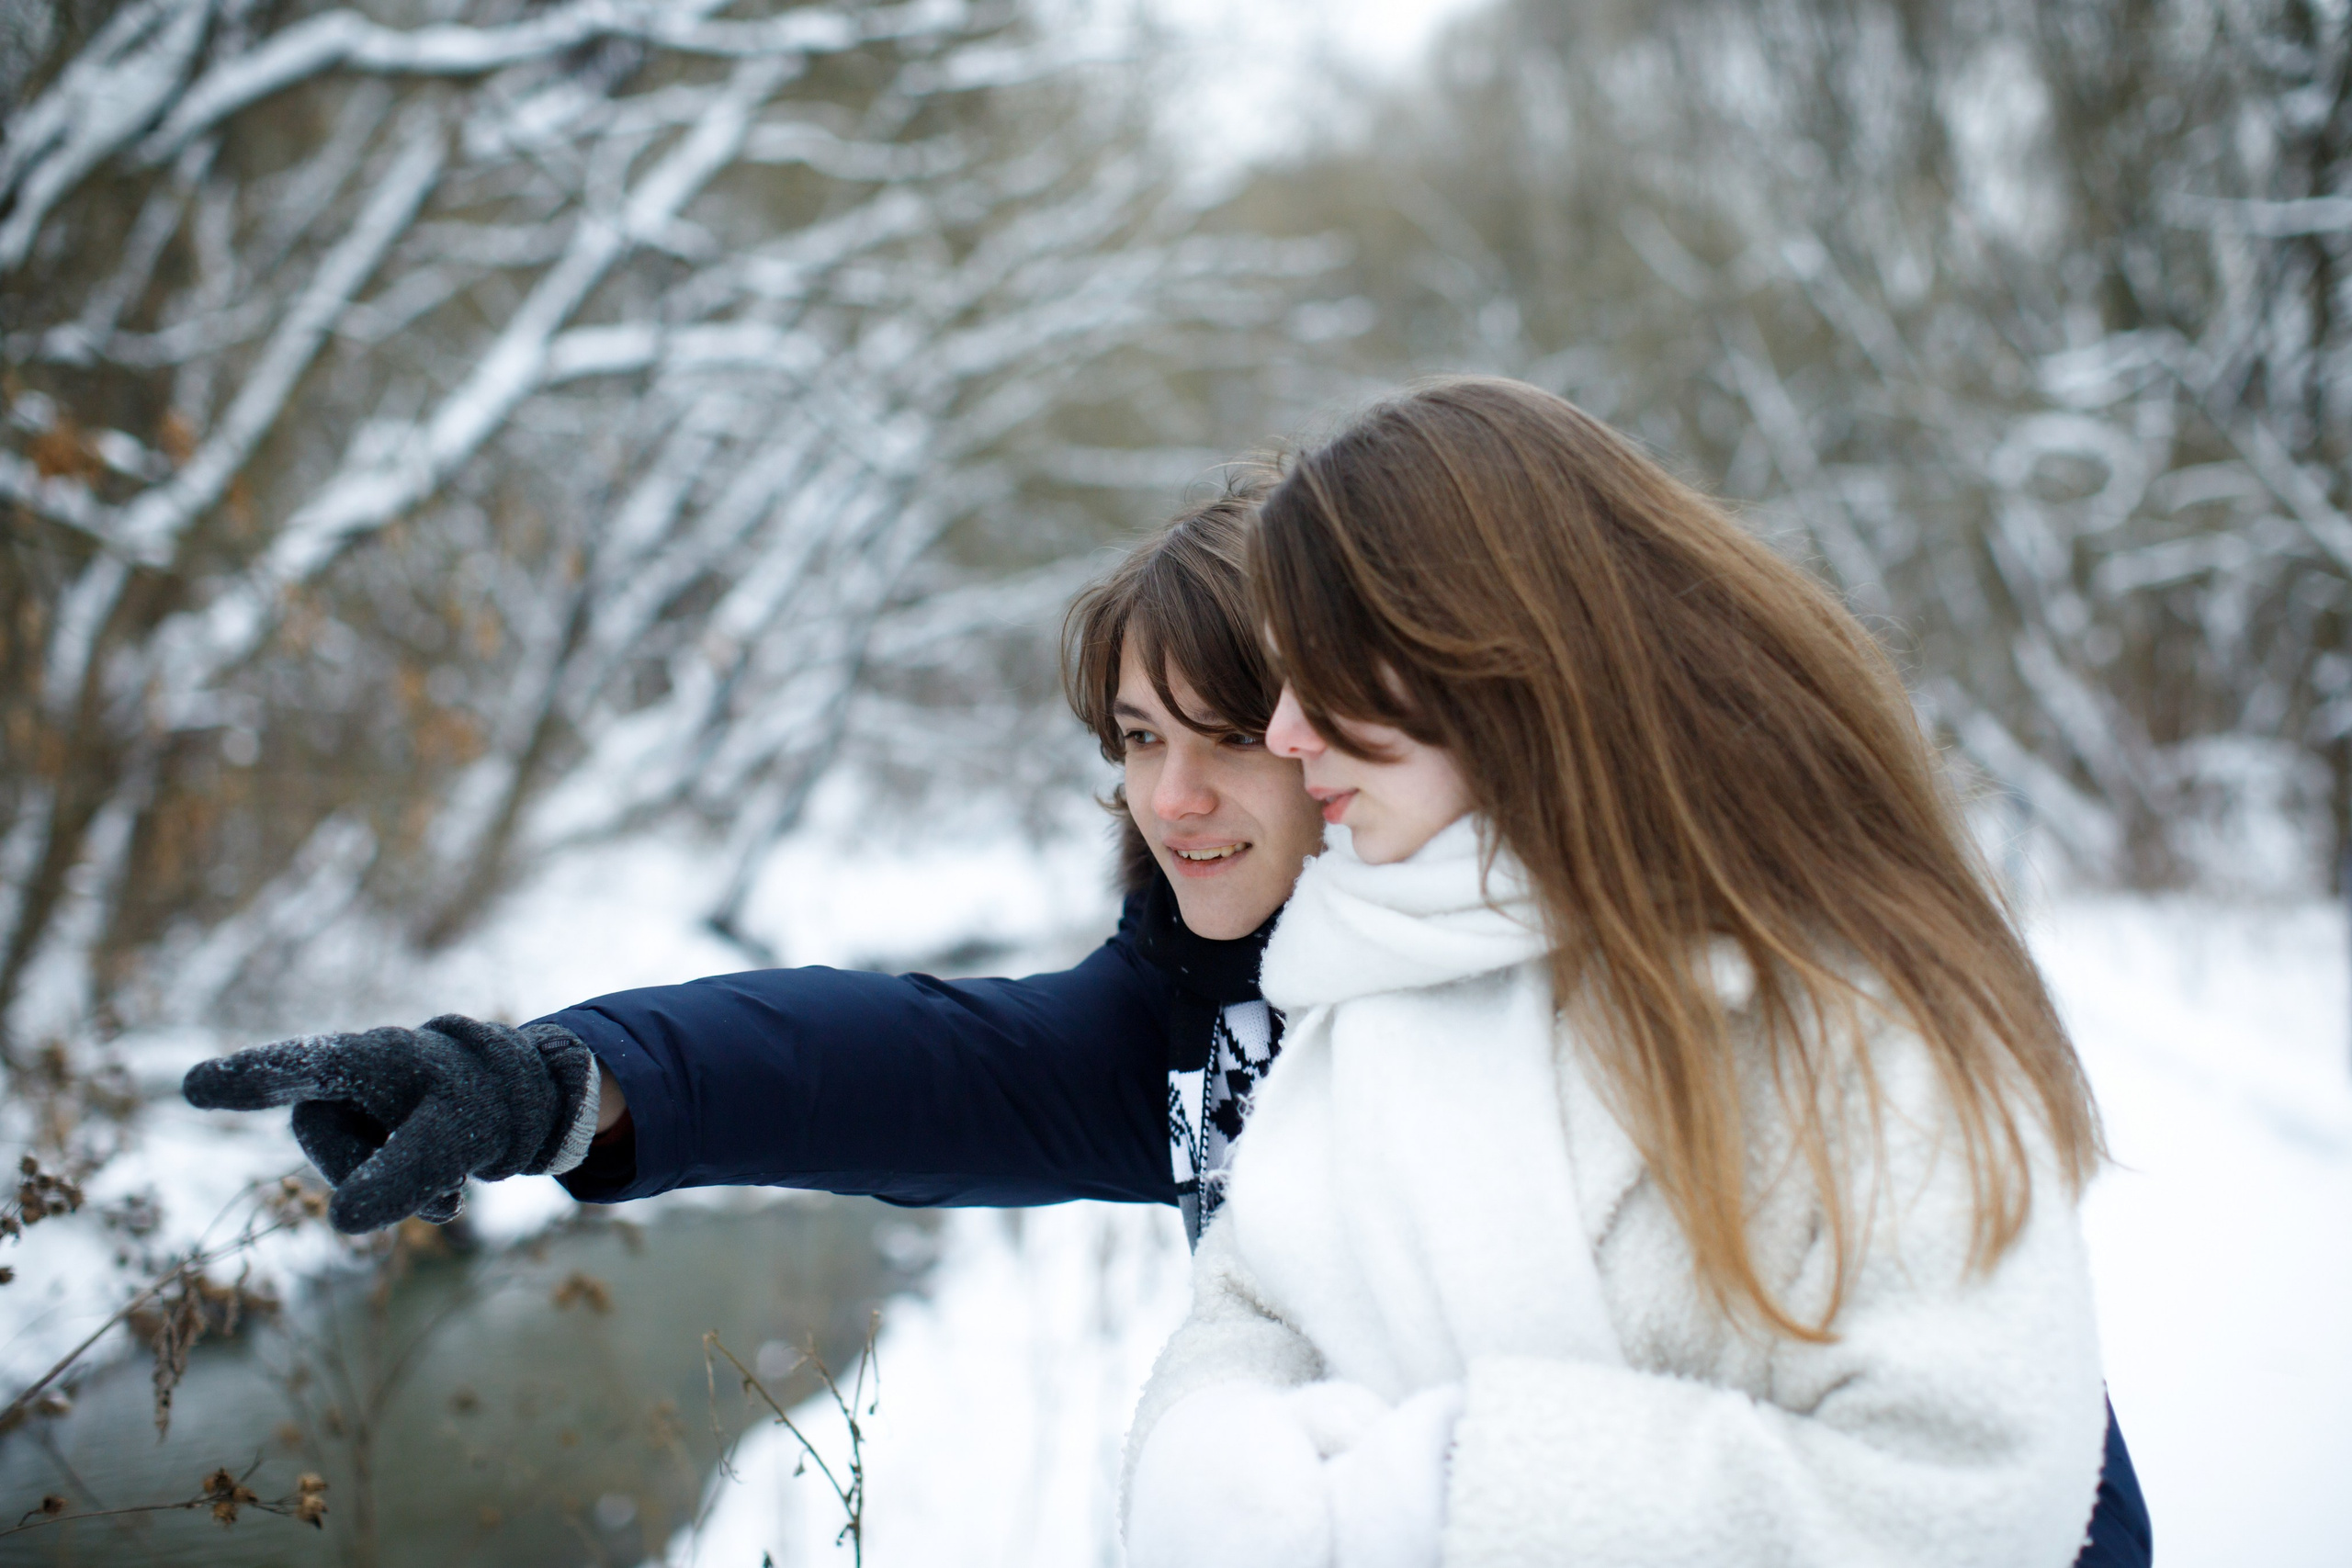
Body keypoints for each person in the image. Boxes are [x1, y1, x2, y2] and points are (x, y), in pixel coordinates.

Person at [181, 463, 2152, 1565]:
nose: (1182, 790)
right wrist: (554, 1078)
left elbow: (1950, 1466)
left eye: (1239, 729)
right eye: (1134, 738)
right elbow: (913, 1053)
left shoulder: (1745, 1004)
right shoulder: (1225, 1007)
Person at [1122, 377, 2132, 1568]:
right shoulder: (1362, 967)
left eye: (1323, 676)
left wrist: (1451, 1499)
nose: (1289, 734)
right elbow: (1256, 1303)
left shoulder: (1847, 1008)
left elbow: (1957, 1488)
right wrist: (1215, 1468)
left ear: (1481, 653)